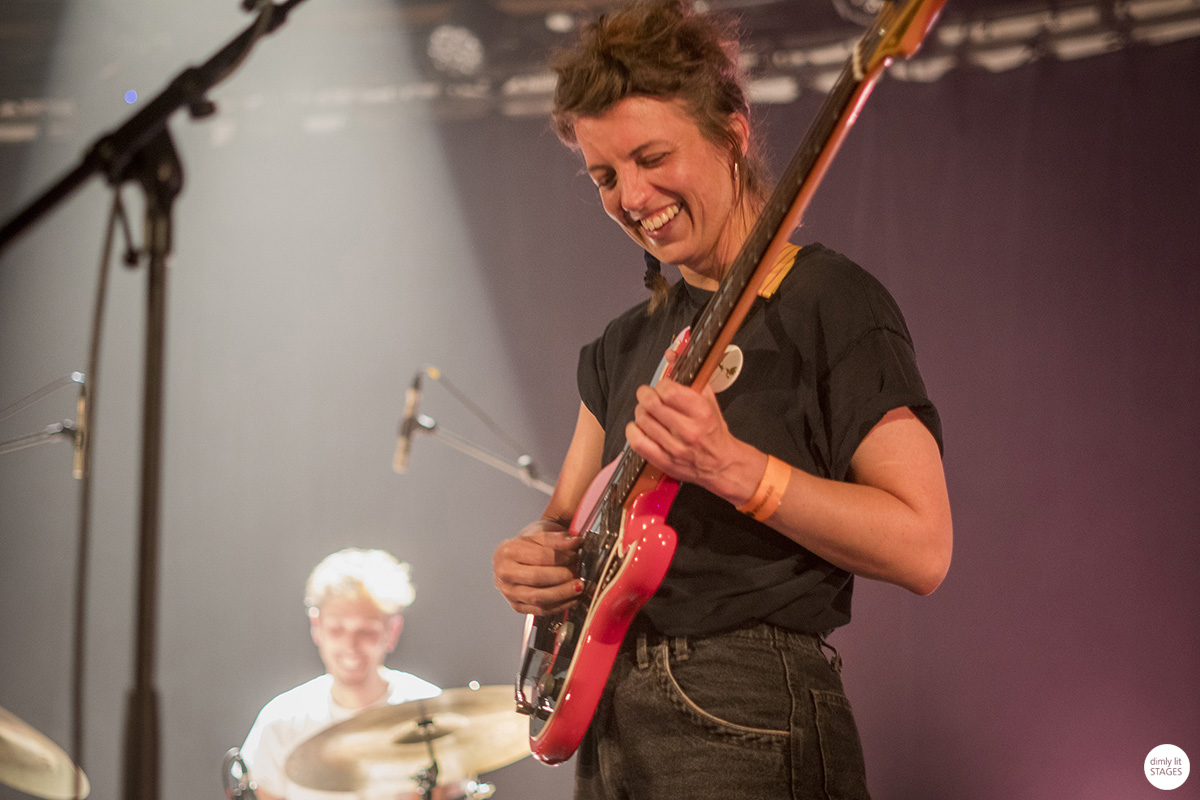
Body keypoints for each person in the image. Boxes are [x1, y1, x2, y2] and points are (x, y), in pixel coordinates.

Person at [491, 2, 953, 798]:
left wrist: (737, 470)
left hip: (744, 703)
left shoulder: (830, 301)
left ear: (733, 133)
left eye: (651, 156)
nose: (631, 196)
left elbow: (923, 546)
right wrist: (532, 560)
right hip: (610, 717)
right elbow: (567, 519)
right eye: (605, 175)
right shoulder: (616, 348)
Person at [239, 548, 441, 800]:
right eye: (337, 630)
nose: (350, 645)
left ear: (392, 631)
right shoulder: (281, 721)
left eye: (366, 631)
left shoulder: (432, 712)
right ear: (316, 626)